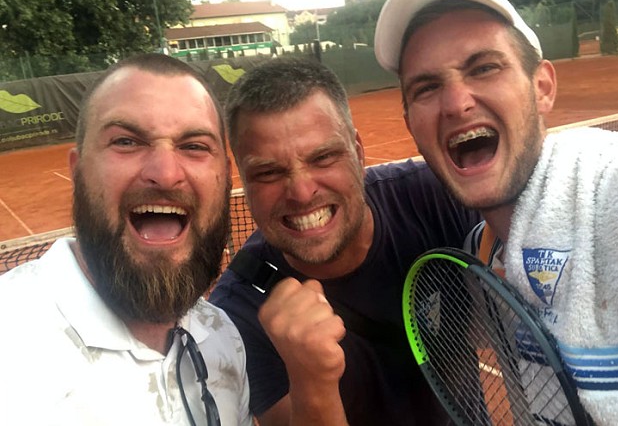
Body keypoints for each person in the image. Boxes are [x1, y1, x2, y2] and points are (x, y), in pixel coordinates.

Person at [374, 0, 618, 424]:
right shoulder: (484, 261)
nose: (456, 103)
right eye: (426, 88)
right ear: (411, 124)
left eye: (484, 68)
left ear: (543, 88)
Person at [209, 56, 481, 425]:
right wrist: (312, 382)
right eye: (269, 172)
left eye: (323, 157)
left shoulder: (437, 197)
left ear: (358, 151)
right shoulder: (237, 314)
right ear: (242, 180)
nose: (301, 192)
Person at [0, 53, 253, 425]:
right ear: (78, 172)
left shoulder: (223, 337)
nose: (165, 174)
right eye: (126, 141)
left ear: (225, 176)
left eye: (194, 146)